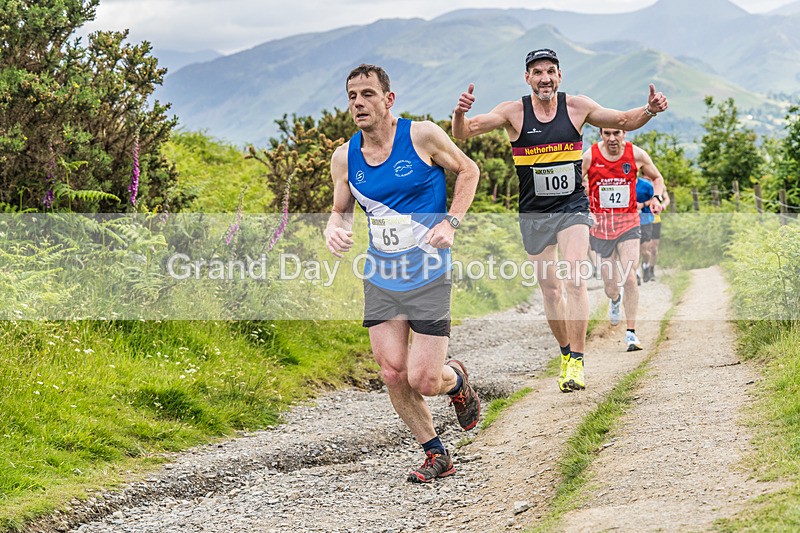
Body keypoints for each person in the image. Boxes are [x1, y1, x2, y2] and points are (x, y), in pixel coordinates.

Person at [452, 48, 668, 393]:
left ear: (560, 75)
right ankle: (566, 352)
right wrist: (460, 115)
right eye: (537, 72)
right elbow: (465, 133)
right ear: (527, 78)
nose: (545, 78)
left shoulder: (577, 107)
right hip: (534, 213)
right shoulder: (513, 112)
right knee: (551, 291)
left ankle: (578, 362)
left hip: (572, 208)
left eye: (550, 71)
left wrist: (649, 111)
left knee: (575, 281)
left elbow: (623, 120)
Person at [325, 64, 481, 484]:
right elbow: (340, 211)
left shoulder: (422, 135)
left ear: (388, 100)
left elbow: (469, 170)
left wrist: (451, 222)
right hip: (380, 274)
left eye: (368, 94)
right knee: (393, 372)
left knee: (425, 378)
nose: (359, 102)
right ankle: (436, 453)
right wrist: (334, 230)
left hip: (428, 271)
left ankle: (457, 380)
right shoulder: (346, 157)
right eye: (352, 95)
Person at [582, 128, 665, 351]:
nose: (611, 138)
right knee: (611, 285)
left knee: (629, 276)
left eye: (616, 133)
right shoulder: (589, 156)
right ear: (600, 133)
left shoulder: (636, 154)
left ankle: (631, 333)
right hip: (601, 228)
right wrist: (585, 208)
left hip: (629, 223)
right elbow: (576, 184)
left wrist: (656, 197)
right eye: (606, 133)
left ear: (624, 133)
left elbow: (657, 177)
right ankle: (615, 299)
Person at [644, 184, 670, 281]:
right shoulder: (639, 184)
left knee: (654, 247)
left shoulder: (660, 185)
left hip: (656, 220)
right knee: (644, 247)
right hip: (642, 220)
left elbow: (667, 199)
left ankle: (651, 270)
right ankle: (644, 268)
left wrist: (663, 205)